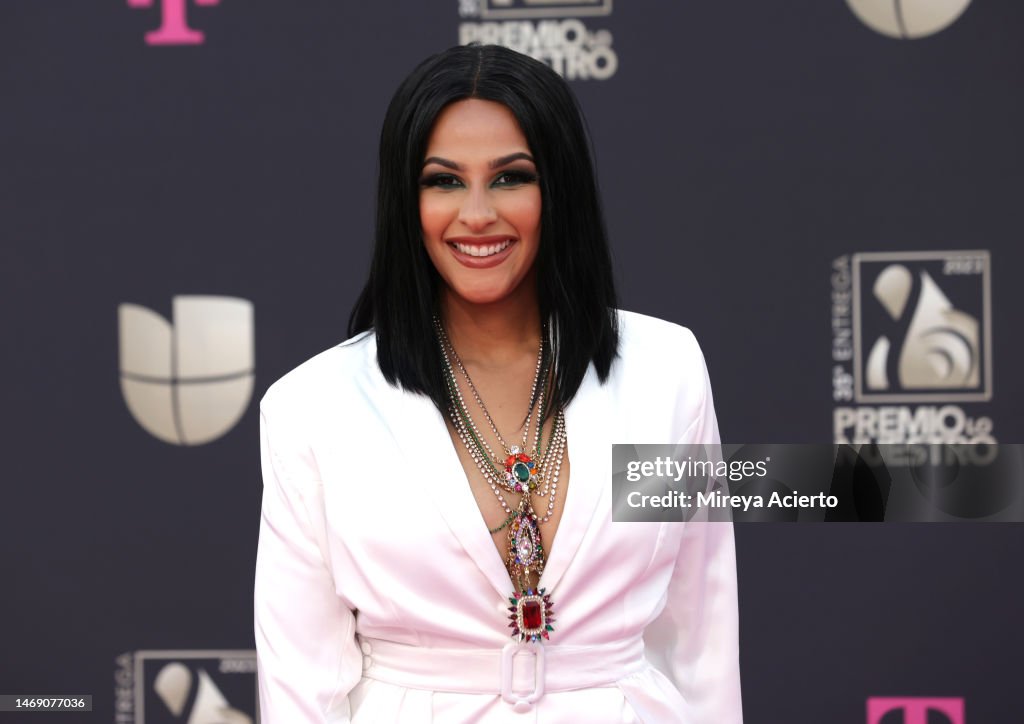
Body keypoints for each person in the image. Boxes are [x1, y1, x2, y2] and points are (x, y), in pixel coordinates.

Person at [254, 44, 742, 723]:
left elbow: (700, 637)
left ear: (558, 189)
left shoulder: (665, 371)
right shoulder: (314, 407)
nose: (477, 213)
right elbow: (301, 684)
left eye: (511, 177)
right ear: (406, 199)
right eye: (444, 181)